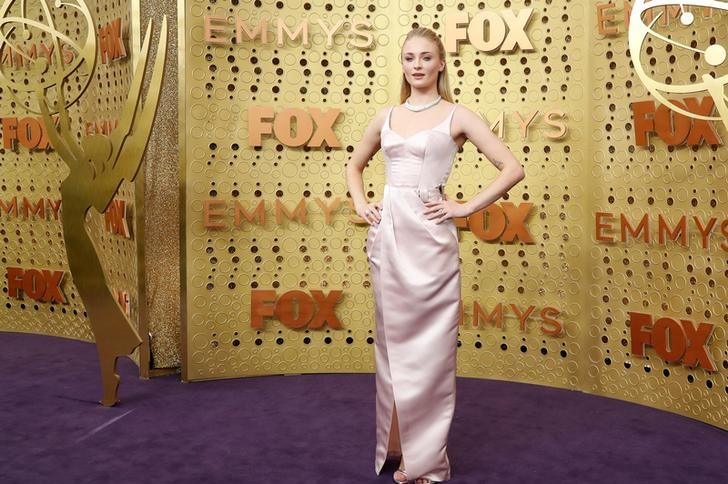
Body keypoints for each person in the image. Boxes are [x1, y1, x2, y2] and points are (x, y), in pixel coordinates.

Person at [345, 27, 525, 484]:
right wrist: (361, 203)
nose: (418, 65)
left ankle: (426, 462)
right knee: (392, 347)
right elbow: (355, 164)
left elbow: (512, 167)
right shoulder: (385, 116)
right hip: (388, 238)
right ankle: (398, 446)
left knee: (432, 352)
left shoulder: (458, 115)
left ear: (442, 63)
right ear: (402, 64)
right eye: (409, 57)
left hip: (430, 237)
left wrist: (463, 207)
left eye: (427, 57)